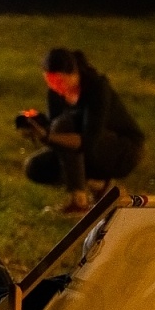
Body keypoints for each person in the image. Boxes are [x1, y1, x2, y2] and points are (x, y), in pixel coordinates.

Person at [22, 48, 144, 215]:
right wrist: (39, 127)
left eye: (60, 81)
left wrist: (50, 136)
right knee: (36, 167)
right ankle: (101, 187)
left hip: (120, 149)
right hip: (85, 153)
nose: (56, 87)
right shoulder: (56, 93)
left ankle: (79, 201)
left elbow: (89, 139)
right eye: (50, 82)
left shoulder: (97, 88)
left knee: (63, 125)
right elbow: (57, 136)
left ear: (74, 73)